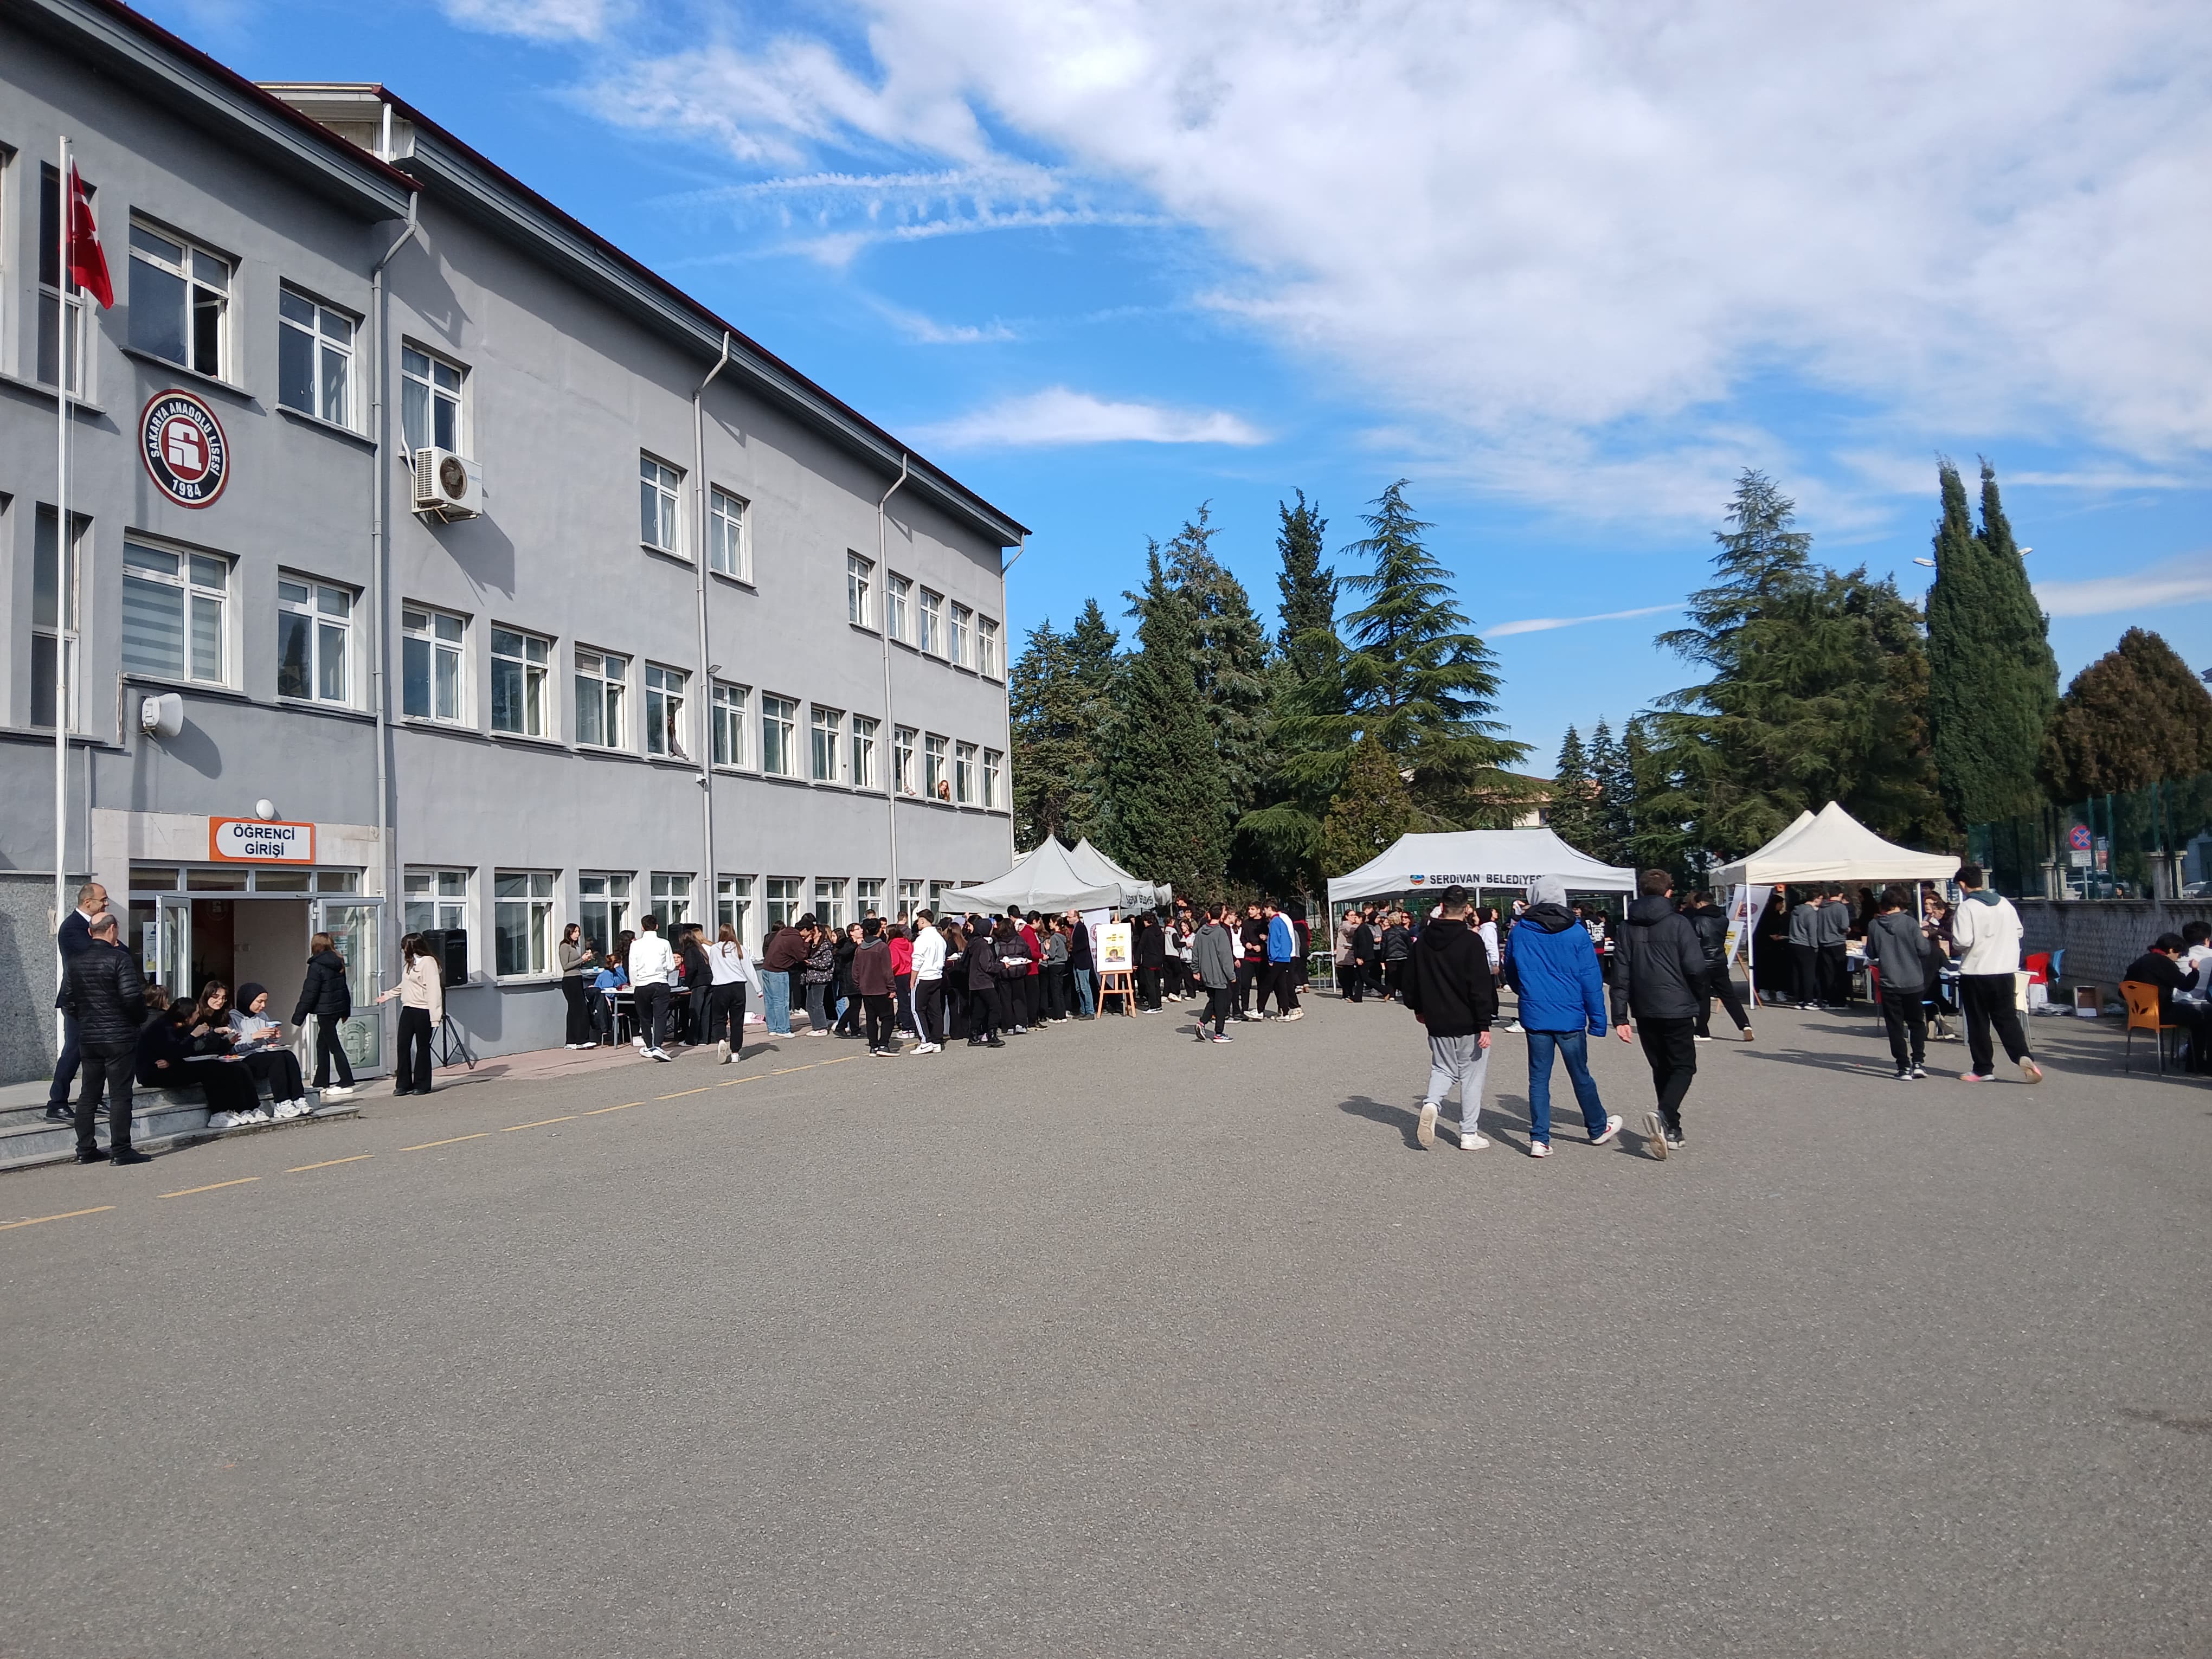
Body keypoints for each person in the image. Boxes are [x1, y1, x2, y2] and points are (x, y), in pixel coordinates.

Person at [1506, 876, 1622, 1158]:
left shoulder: (1520, 931)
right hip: (1570, 1015)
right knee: (1580, 1073)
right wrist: (1597, 1021)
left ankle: (1540, 1138)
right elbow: (1590, 980)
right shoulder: (1577, 932)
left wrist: (1528, 993)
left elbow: (1511, 972)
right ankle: (1596, 1127)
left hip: (1535, 1013)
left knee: (1538, 1078)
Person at [1609, 870, 1710, 1159]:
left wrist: (1620, 1016)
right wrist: (1698, 995)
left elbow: (1620, 974)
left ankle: (1671, 1126)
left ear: (1641, 891)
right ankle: (1665, 1114)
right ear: (1669, 892)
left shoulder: (1626, 927)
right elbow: (1696, 967)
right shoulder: (1679, 923)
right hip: (1676, 1004)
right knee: (1683, 1066)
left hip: (1645, 1007)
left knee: (1661, 1067)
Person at [1400, 886, 1496, 1150]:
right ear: (1466, 909)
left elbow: (1410, 979)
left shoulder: (1423, 941)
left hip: (1436, 1017)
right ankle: (1468, 1132)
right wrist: (1484, 1023)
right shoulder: (1471, 941)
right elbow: (1480, 985)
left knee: (1442, 1068)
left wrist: (1417, 1008)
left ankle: (1432, 1102)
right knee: (1471, 1074)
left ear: (1441, 907)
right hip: (1467, 1020)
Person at [61, 912, 150, 1165]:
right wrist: (138, 1019)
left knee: (89, 1093)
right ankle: (121, 1150)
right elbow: (132, 998)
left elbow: (68, 1000)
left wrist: (88, 1017)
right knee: (120, 1094)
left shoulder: (75, 961)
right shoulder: (119, 959)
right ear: (113, 929)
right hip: (119, 1036)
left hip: (90, 1037)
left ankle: (85, 1149)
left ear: (91, 932)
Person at [1950, 866, 2042, 1084]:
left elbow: (1962, 941)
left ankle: (1983, 1069)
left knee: (1978, 1022)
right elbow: (2019, 932)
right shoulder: (2004, 904)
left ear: (1963, 884)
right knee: (2007, 1018)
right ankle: (2023, 1056)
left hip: (1976, 972)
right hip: (2005, 971)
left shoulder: (1967, 908)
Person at [44, 881, 110, 1122]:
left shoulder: (95, 926)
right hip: (78, 1001)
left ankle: (93, 1099)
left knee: (98, 1051)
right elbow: (98, 952)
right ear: (87, 902)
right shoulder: (72, 928)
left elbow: (118, 950)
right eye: (103, 899)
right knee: (74, 1051)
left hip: (99, 1000)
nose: (106, 903)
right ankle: (57, 1103)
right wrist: (111, 944)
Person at [1863, 885, 1935, 1081]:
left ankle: (1903, 1066)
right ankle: (1918, 1062)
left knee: (1895, 1025)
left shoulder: (1874, 925)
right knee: (1916, 1023)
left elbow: (1871, 953)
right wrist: (1925, 939)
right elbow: (1923, 950)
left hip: (1889, 980)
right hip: (1913, 980)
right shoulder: (1910, 923)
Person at [2123, 934, 2209, 1070]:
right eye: (2179, 954)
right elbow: (2186, 986)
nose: (2178, 958)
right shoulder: (2165, 964)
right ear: (2171, 950)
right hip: (2162, 1014)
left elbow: (2121, 992)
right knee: (2200, 1017)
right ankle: (2195, 1063)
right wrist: (2195, 970)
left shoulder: (2139, 962)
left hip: (2138, 1016)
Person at [375, 934, 446, 1096]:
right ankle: (403, 1084)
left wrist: (435, 1016)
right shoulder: (410, 963)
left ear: (412, 947)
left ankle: (422, 1084)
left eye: (404, 946)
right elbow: (406, 984)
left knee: (422, 1047)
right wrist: (390, 994)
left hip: (423, 1010)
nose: (402, 950)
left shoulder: (429, 962)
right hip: (408, 1008)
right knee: (403, 1045)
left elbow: (434, 991)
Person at [229, 982, 310, 1115]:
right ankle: (282, 1103)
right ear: (248, 999)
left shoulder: (262, 1016)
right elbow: (232, 1047)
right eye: (259, 1002)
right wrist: (253, 1037)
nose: (263, 1006)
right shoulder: (233, 1018)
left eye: (265, 1002)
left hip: (262, 1054)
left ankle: (298, 1098)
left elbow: (267, 1040)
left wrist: (274, 1037)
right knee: (277, 1058)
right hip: (244, 1058)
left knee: (288, 1055)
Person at [293, 931, 356, 1099]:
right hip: (336, 1009)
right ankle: (320, 1082)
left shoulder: (317, 966)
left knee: (333, 1045)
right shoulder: (338, 962)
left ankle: (346, 1081)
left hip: (325, 1010)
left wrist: (297, 1018)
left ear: (315, 946)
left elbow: (309, 992)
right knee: (322, 1045)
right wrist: (345, 1011)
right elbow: (344, 989)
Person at [1686, 890, 1753, 1043]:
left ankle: (1702, 1031)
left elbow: (1694, 944)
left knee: (1702, 998)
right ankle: (1745, 1025)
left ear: (1701, 903)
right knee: (1729, 996)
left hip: (1703, 962)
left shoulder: (1697, 921)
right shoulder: (1724, 920)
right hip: (1720, 961)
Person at [705, 923, 758, 1064]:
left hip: (720, 987)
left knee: (719, 1018)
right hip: (738, 987)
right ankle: (735, 1052)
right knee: (737, 1020)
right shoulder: (740, 948)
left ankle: (721, 1040)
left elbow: (711, 965)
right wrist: (758, 989)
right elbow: (749, 969)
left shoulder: (715, 949)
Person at [627, 913, 677, 1060]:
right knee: (660, 1016)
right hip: (660, 982)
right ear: (657, 927)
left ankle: (649, 1045)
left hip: (642, 984)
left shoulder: (635, 945)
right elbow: (671, 966)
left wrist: (635, 983)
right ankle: (658, 1046)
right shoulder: (664, 943)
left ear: (642, 928)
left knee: (644, 1017)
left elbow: (632, 967)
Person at [850, 916, 898, 1056]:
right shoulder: (882, 947)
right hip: (881, 988)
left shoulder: (860, 948)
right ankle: (883, 1045)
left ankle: (873, 1046)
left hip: (866, 989)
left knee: (871, 1018)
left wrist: (859, 984)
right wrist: (892, 988)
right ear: (878, 930)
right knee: (888, 1017)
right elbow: (887, 970)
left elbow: (855, 970)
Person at [910, 909, 947, 1053]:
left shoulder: (922, 939)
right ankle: (937, 1041)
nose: (917, 923)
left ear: (923, 921)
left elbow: (917, 960)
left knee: (917, 1009)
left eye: (919, 920)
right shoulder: (939, 938)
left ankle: (925, 1040)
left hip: (924, 977)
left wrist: (912, 979)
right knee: (935, 1010)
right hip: (937, 975)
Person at [761, 917, 805, 1035]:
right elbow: (802, 956)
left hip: (766, 968)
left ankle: (772, 1028)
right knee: (782, 1001)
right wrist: (806, 943)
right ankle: (783, 1029)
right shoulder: (795, 938)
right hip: (779, 970)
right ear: (805, 930)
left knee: (770, 1000)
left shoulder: (780, 935)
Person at [557, 923, 598, 1049]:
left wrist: (585, 960)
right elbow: (566, 966)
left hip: (577, 978)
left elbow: (575, 964)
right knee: (581, 1010)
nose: (578, 934)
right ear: (569, 933)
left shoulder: (572, 947)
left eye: (578, 932)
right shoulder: (565, 946)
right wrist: (582, 959)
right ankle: (581, 1040)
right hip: (571, 980)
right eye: (575, 932)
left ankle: (571, 1041)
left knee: (574, 1010)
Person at [963, 919, 1004, 1047]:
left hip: (974, 980)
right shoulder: (983, 945)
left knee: (979, 1009)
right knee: (995, 1007)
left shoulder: (974, 942)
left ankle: (974, 1036)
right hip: (983, 980)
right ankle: (992, 1034)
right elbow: (987, 966)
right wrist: (1003, 966)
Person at [1265, 900, 1304, 1018]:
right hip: (1285, 954)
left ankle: (1295, 1007)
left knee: (1287, 983)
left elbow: (1287, 937)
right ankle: (1283, 1008)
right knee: (1280, 984)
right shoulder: (1279, 919)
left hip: (1287, 956)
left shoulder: (1281, 919)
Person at [1817, 883, 1853, 1006]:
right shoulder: (1841, 908)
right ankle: (1839, 1001)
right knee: (1840, 973)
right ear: (1841, 895)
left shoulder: (1822, 907)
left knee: (1827, 972)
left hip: (1823, 942)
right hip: (1837, 942)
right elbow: (1844, 926)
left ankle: (1828, 998)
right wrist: (1848, 930)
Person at [1787, 889, 1823, 1008]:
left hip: (1793, 943)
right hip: (1806, 945)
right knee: (1809, 974)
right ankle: (1809, 1001)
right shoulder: (1811, 912)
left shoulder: (1795, 911)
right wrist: (1815, 946)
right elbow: (1812, 931)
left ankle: (1800, 1001)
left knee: (1797, 973)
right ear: (1816, 898)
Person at [800, 920, 837, 1037]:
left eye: (814, 931)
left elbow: (826, 963)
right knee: (809, 1004)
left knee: (818, 1003)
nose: (812, 932)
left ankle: (822, 1027)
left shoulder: (826, 946)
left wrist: (810, 962)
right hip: (811, 978)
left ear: (820, 933)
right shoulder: (812, 946)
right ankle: (816, 1026)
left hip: (821, 978)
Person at [1236, 904, 1270, 1017]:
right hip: (1248, 957)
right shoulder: (1246, 923)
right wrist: (1247, 944)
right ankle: (1244, 1009)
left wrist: (1262, 947)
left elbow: (1270, 938)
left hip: (1262, 958)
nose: (1249, 911)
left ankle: (1260, 1009)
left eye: (1252, 909)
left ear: (1259, 910)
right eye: (1249, 909)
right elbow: (1243, 938)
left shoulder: (1265, 923)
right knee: (1245, 984)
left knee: (1262, 984)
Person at [590, 946, 624, 1046]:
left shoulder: (614, 973)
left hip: (614, 1001)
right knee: (633, 1008)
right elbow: (609, 993)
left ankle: (630, 1035)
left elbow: (624, 981)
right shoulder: (607, 974)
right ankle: (635, 1035)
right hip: (607, 1004)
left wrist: (620, 971)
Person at [1066, 909, 1096, 1018]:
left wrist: (1071, 950)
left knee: (1085, 987)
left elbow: (1083, 945)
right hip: (1077, 962)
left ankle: (1090, 1011)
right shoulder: (1076, 928)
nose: (1068, 919)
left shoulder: (1081, 927)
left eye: (1070, 916)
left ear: (1076, 916)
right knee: (1079, 988)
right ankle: (1083, 1010)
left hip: (1083, 962)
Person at [1133, 912, 1166, 1012]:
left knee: (1150, 984)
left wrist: (1136, 962)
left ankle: (1153, 1006)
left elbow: (1141, 947)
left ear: (1146, 921)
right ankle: (1158, 1004)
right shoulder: (1159, 931)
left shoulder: (1147, 932)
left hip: (1149, 960)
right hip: (1159, 960)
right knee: (1157, 983)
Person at [889, 921, 915, 1039]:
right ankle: (912, 1026)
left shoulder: (893, 944)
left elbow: (895, 962)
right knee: (911, 1001)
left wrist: (888, 972)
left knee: (903, 1002)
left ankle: (907, 1028)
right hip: (910, 972)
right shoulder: (908, 942)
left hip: (900, 974)